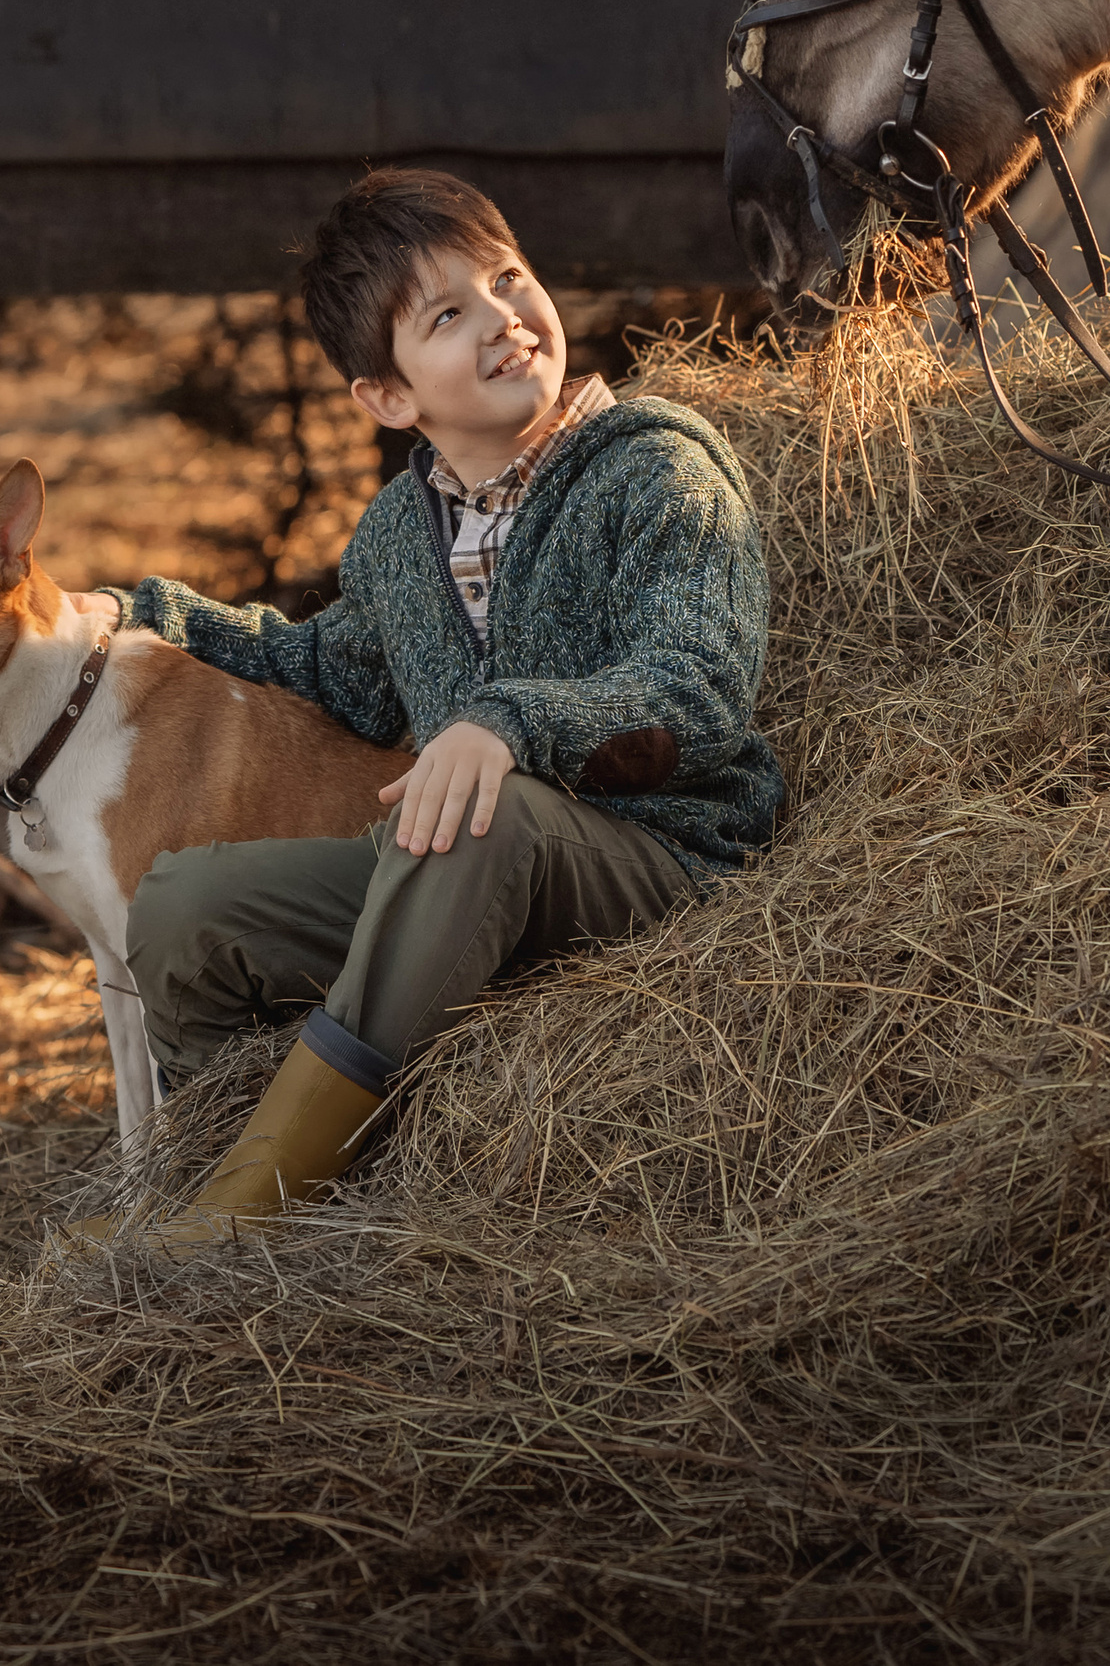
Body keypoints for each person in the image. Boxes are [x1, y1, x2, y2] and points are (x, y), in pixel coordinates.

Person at [102, 164, 781, 1253]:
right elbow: (340, 672)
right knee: (189, 908)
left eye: (509, 279)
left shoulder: (654, 467)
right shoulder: (396, 534)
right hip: (459, 877)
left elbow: (696, 681)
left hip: (659, 861)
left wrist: (506, 720)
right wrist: (146, 615)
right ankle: (253, 1189)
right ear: (387, 395)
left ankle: (239, 1223)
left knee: (482, 811)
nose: (506, 320)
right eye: (451, 313)